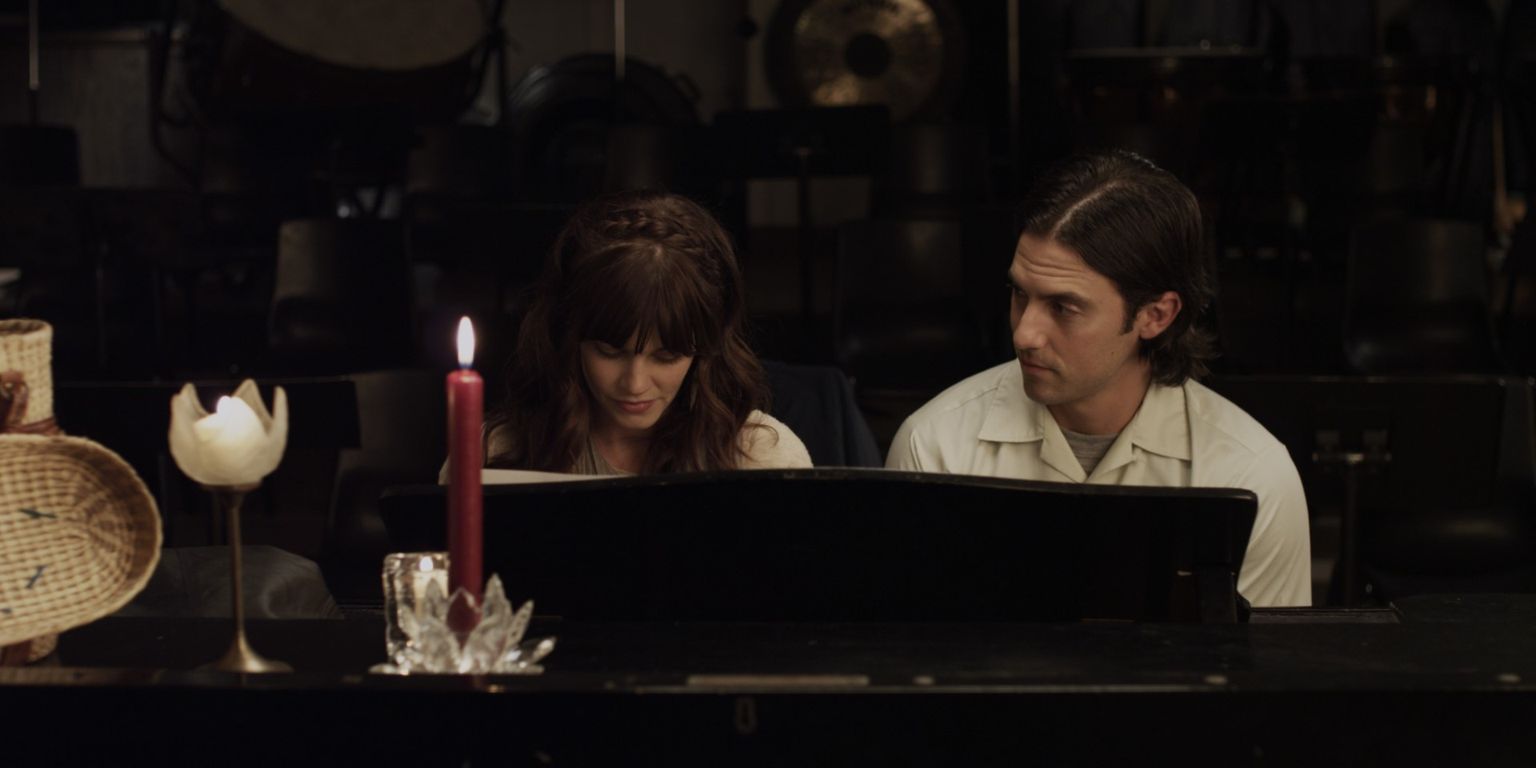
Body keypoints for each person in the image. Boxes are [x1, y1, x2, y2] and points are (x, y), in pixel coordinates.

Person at [885, 150, 1311, 607]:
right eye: (1019, 294)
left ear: (1156, 315)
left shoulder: (1251, 476)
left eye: (1063, 307)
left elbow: (1265, 655)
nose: (1024, 334)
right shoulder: (935, 448)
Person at [481, 190, 811, 477]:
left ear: (707, 346)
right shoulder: (501, 453)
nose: (635, 385)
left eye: (667, 356)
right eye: (609, 352)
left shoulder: (761, 457)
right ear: (568, 335)